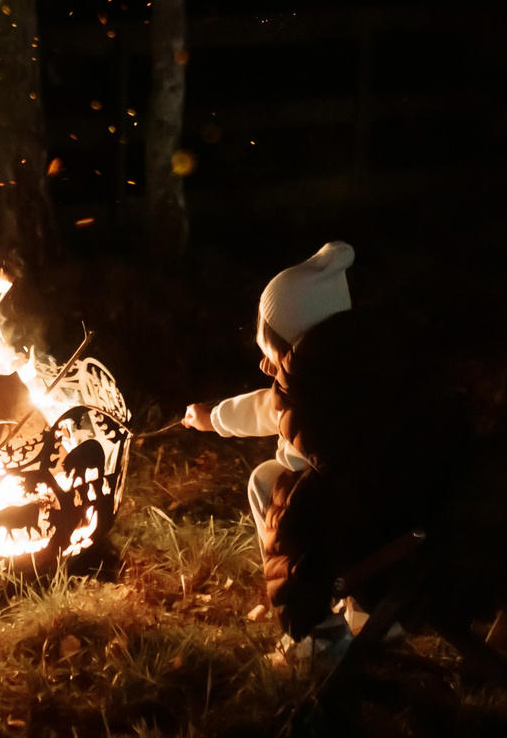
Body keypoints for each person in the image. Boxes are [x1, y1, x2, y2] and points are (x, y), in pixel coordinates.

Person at [183, 241, 471, 663]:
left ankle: (318, 637)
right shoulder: (376, 355)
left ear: (288, 341)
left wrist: (217, 418)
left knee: (270, 482)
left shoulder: (311, 382)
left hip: (373, 535)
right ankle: (372, 619)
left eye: (269, 347)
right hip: (422, 510)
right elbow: (287, 411)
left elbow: (284, 427)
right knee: (329, 492)